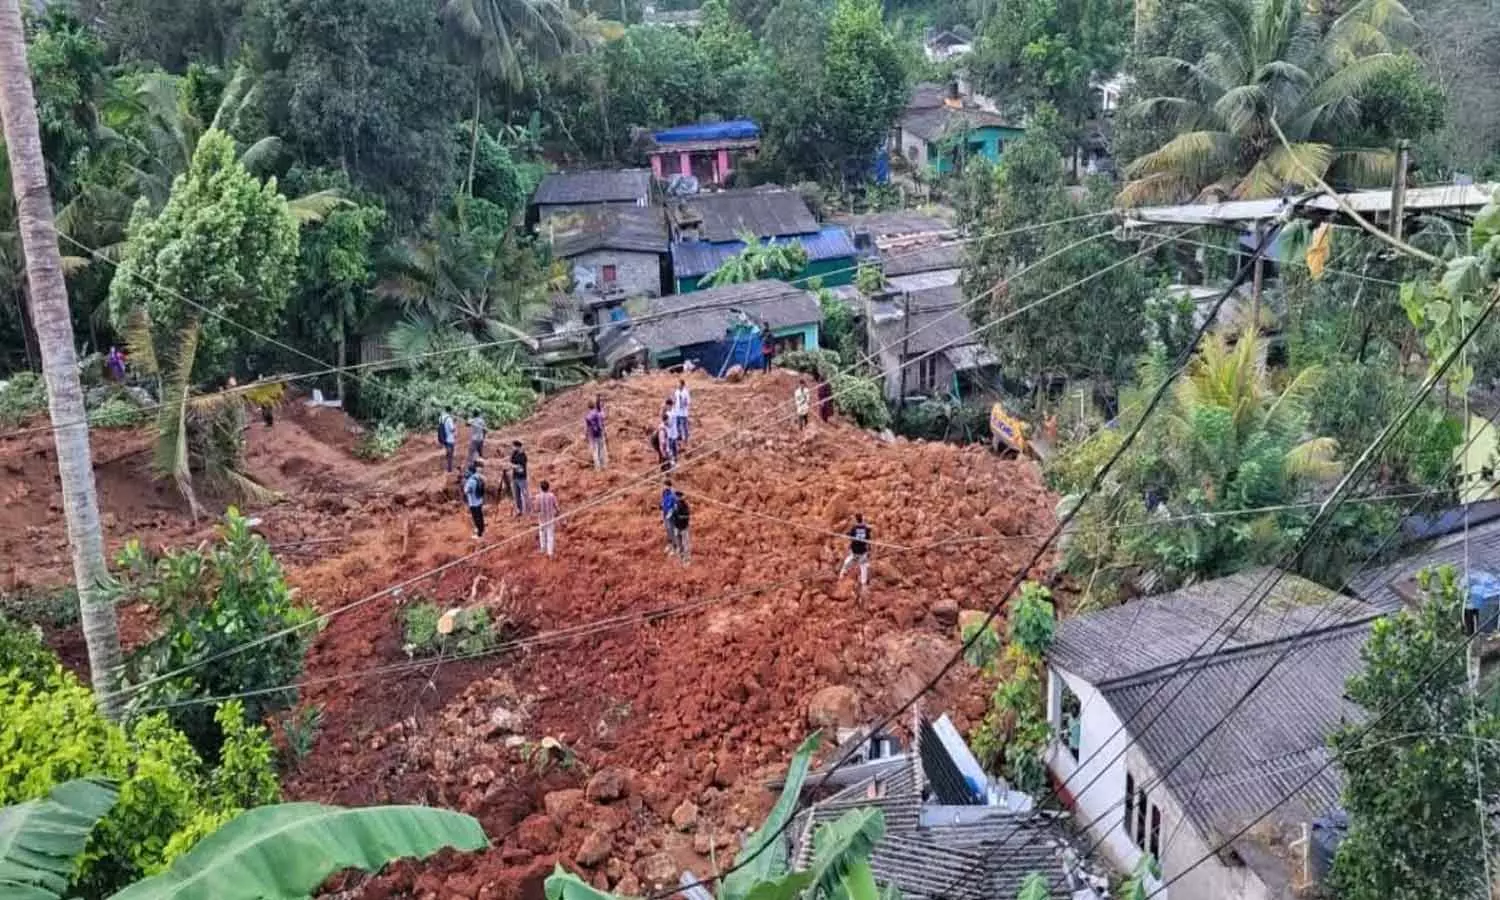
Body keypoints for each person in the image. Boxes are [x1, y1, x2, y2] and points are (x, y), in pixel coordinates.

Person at [838, 513, 872, 590]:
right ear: (862, 519)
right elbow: (868, 540)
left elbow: (850, 536)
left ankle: (842, 575)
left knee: (847, 562)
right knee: (863, 567)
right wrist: (869, 550)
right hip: (863, 551)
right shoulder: (866, 529)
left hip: (855, 551)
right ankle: (864, 584)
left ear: (856, 520)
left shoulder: (854, 528)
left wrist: (847, 534)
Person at [463, 460, 487, 539]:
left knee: (476, 518)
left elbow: (466, 491)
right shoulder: (478, 476)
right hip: (479, 500)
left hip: (473, 502)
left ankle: (479, 534)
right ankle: (482, 529)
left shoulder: (471, 481)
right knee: (480, 516)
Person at [535, 479, 559, 558]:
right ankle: (550, 553)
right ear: (548, 488)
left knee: (542, 534)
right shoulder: (552, 496)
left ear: (541, 488)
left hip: (542, 520)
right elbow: (556, 506)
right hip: (550, 519)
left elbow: (537, 509)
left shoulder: (538, 497)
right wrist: (557, 512)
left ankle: (543, 548)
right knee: (550, 536)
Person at [670, 489, 691, 564]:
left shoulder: (685, 505)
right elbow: (673, 515)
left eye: (678, 496)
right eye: (676, 496)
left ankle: (687, 559)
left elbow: (687, 516)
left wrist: (680, 517)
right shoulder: (675, 505)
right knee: (679, 543)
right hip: (677, 527)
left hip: (684, 527)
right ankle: (681, 558)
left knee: (685, 544)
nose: (677, 498)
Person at [585, 400, 607, 469]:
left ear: (588, 407)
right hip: (600, 433)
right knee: (601, 449)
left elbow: (587, 428)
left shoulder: (587, 417)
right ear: (594, 405)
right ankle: (603, 465)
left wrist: (586, 435)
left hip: (592, 436)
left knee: (595, 451)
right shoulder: (598, 413)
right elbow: (604, 416)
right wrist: (602, 409)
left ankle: (597, 468)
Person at [510, 440, 529, 515]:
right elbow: (511, 462)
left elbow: (521, 467)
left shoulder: (523, 455)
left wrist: (515, 466)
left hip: (522, 478)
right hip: (515, 477)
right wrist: (515, 466)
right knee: (516, 495)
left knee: (524, 495)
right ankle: (519, 510)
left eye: (514, 446)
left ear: (517, 446)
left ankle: (527, 510)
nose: (513, 448)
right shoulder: (514, 453)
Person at [660, 478, 678, 555]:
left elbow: (675, 506)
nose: (663, 487)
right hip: (665, 513)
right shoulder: (664, 492)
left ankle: (675, 547)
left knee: (672, 530)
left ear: (668, 485)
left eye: (664, 485)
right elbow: (663, 501)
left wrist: (670, 513)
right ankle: (669, 544)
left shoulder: (673, 494)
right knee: (667, 530)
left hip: (671, 515)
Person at [438, 407, 458, 472]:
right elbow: (452, 429)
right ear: (450, 411)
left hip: (443, 438)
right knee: (450, 454)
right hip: (450, 439)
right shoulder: (449, 419)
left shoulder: (440, 418)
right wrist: (455, 425)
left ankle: (447, 465)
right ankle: (449, 469)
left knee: (448, 452)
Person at [672, 378, 692, 443]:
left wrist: (684, 403)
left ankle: (686, 438)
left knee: (684, 425)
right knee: (677, 424)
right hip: (677, 411)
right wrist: (674, 407)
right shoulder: (676, 392)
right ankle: (679, 436)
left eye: (679, 384)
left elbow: (688, 401)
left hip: (683, 412)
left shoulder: (686, 392)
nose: (678, 385)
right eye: (678, 384)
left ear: (683, 385)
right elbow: (675, 399)